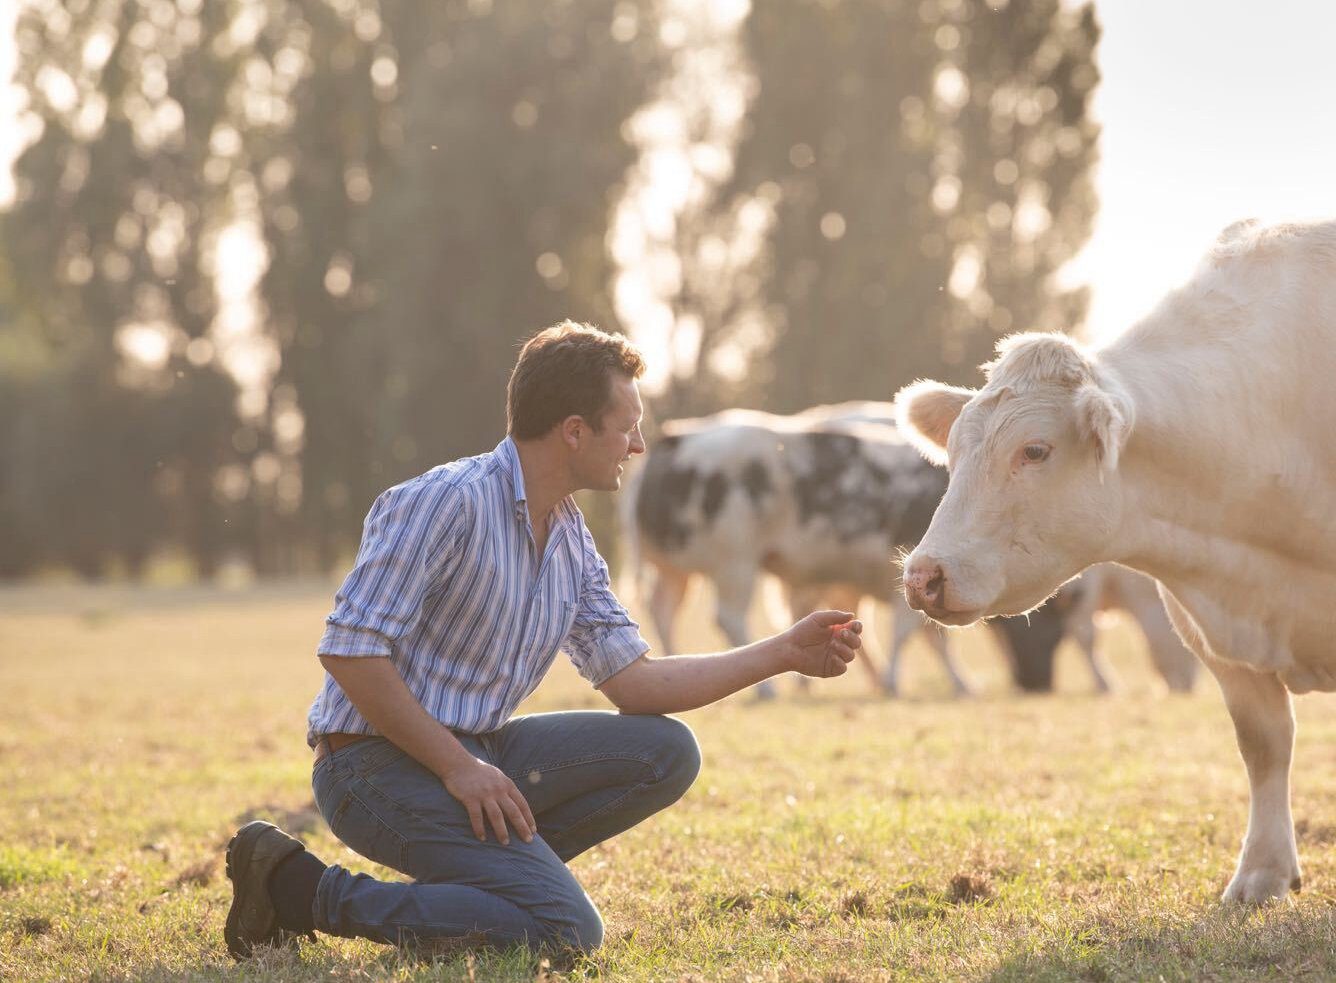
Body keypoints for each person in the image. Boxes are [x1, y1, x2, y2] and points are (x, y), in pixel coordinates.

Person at [222, 321, 864, 959]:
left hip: (480, 751)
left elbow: (637, 685)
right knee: (567, 932)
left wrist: (781, 652)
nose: (638, 445)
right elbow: (348, 651)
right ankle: (301, 890)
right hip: (370, 764)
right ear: (575, 431)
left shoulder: (570, 538)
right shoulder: (446, 501)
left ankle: (486, 888)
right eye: (628, 425)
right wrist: (460, 767)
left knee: (667, 751)